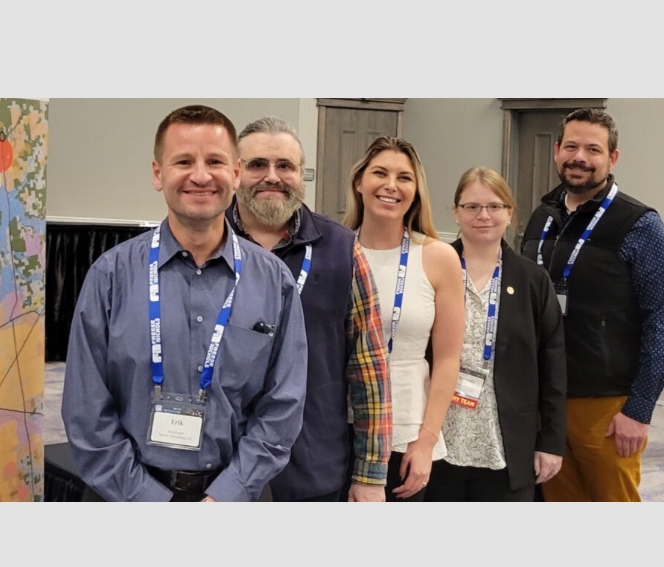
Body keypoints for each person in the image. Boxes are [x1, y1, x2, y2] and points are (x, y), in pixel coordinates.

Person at [61, 105, 308, 502]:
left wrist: (228, 493)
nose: (200, 175)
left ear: (236, 173)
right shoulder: (110, 276)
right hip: (123, 497)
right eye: (183, 161)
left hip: (236, 497)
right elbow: (86, 411)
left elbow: (283, 406)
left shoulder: (274, 281)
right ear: (158, 174)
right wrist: (147, 499)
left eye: (214, 161)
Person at [225, 116, 391, 502]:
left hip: (312, 464)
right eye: (257, 165)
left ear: (302, 174)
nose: (272, 176)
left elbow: (369, 369)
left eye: (285, 166)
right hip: (219, 468)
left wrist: (370, 476)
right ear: (235, 173)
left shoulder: (342, 249)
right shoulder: (208, 243)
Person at [520, 108, 664, 502]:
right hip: (544, 401)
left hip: (605, 408)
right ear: (556, 151)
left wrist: (638, 409)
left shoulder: (640, 225)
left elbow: (660, 320)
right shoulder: (541, 218)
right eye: (571, 146)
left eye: (592, 149)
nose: (579, 157)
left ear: (612, 158)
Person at [424, 167, 567, 502]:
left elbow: (554, 366)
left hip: (504, 444)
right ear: (455, 212)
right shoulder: (429, 269)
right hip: (437, 440)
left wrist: (550, 442)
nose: (483, 215)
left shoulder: (533, 280)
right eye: (472, 207)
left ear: (509, 213)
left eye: (494, 206)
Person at [343, 136, 465, 501]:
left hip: (406, 430)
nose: (391, 185)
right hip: (337, 425)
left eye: (404, 177)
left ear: (416, 191)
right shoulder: (335, 251)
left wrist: (426, 441)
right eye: (380, 173)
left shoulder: (438, 257)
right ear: (359, 182)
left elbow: (447, 359)